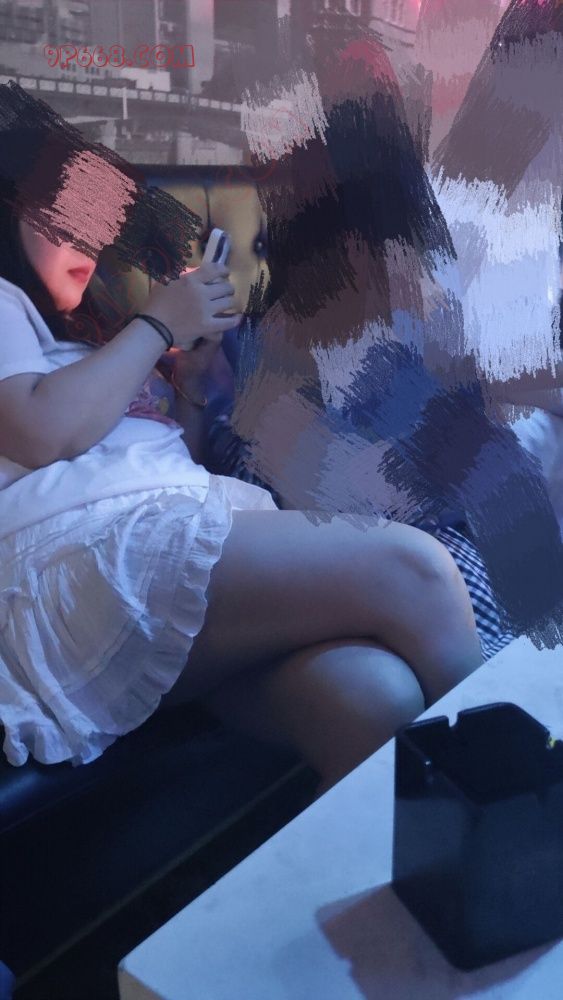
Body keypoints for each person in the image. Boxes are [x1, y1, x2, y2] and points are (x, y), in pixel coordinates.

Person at [0, 136, 483, 791]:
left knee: (375, 699)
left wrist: (193, 385)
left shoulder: (79, 348)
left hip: (152, 568)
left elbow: (172, 471)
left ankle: (431, 853)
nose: (84, 240)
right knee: (415, 568)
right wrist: (158, 324)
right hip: (76, 559)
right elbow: (41, 432)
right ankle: (527, 797)